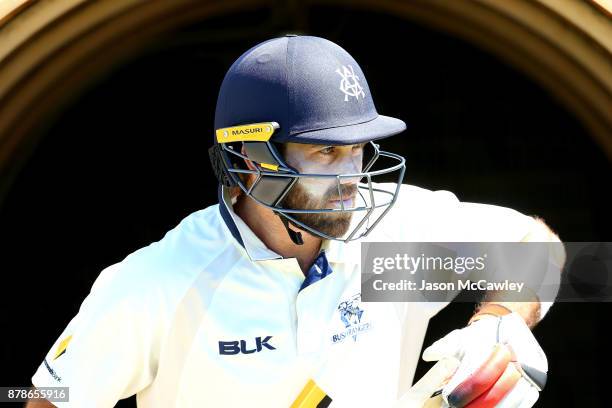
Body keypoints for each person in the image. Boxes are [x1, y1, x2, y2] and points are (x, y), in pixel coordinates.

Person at [28, 35, 563, 407]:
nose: (352, 175)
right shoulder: (163, 284)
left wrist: (500, 323)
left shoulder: (391, 248)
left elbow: (535, 243)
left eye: (357, 148)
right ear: (251, 160)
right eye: (325, 153)